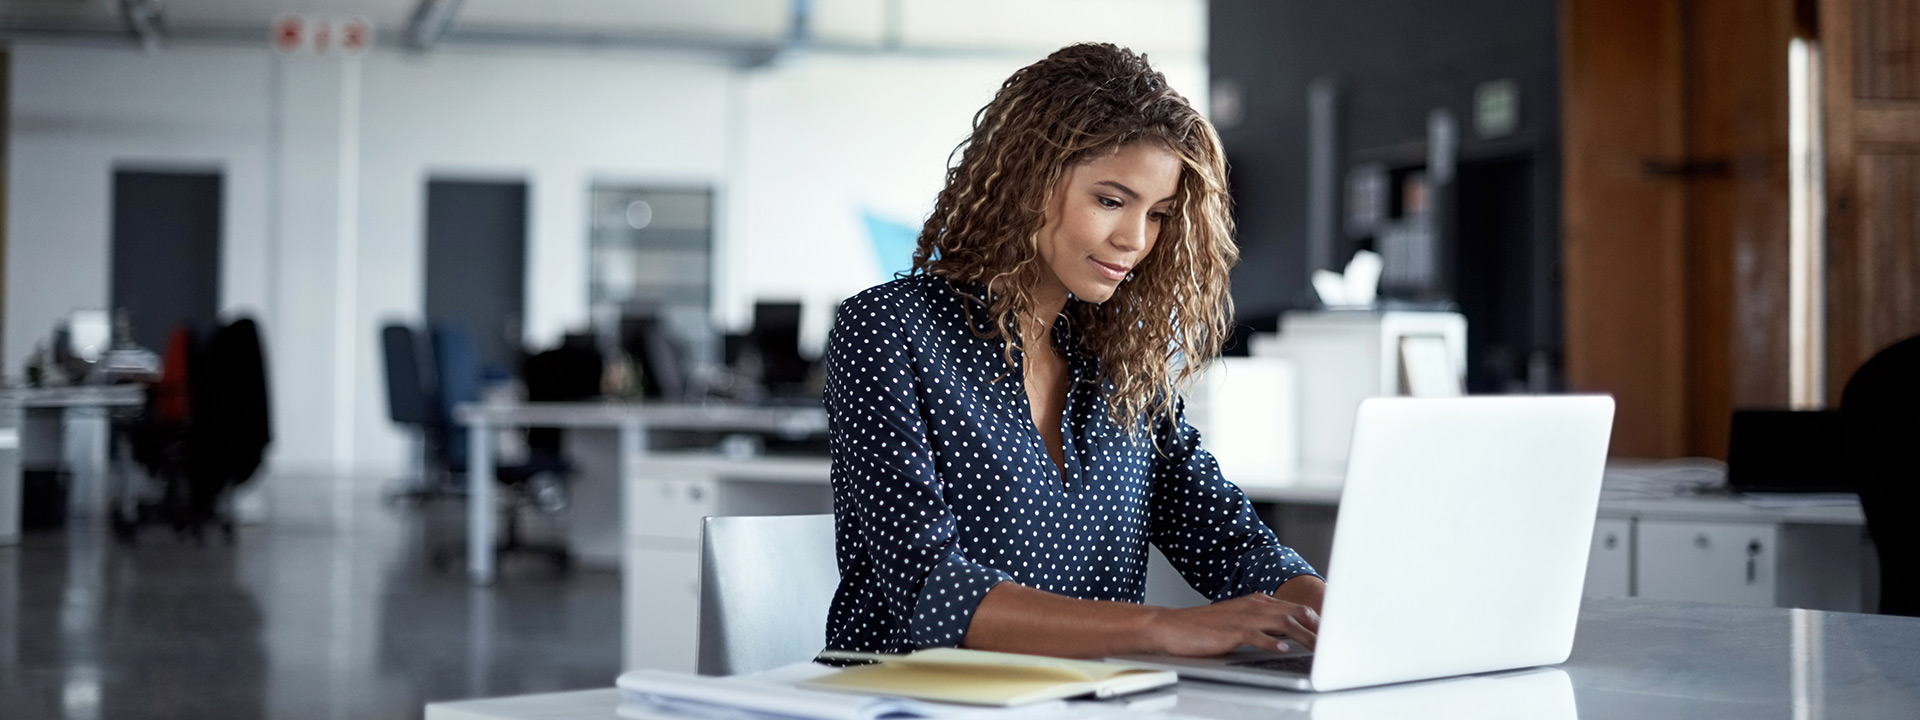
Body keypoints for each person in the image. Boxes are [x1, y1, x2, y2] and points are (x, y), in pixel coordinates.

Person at [823, 43, 1324, 659]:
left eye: (1159, 214)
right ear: (1024, 181)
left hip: (1090, 700)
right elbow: (931, 592)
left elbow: (1229, 541)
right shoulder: (887, 330)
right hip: (909, 699)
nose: (1135, 240)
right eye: (1110, 201)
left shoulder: (1119, 361)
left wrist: (1333, 615)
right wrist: (1162, 627)